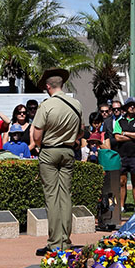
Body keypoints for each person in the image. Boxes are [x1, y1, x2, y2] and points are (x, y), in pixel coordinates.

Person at [30, 68, 83, 256]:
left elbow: (36, 136)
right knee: (65, 195)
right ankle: (65, 240)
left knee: (51, 196)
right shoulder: (76, 104)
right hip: (68, 151)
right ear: (61, 85)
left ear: (47, 86)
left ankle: (54, 242)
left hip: (49, 151)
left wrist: (40, 143)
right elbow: (81, 132)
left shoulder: (46, 105)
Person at [105, 98, 135, 212]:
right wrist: (132, 136)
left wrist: (125, 133)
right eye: (130, 105)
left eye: (134, 106)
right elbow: (117, 137)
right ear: (126, 108)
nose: (132, 107)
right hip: (123, 155)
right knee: (122, 181)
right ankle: (121, 206)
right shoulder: (119, 121)